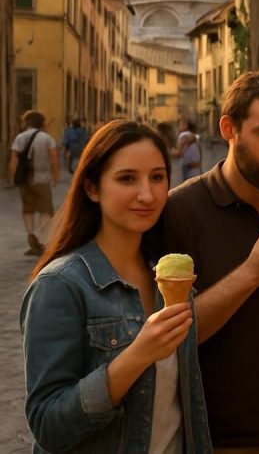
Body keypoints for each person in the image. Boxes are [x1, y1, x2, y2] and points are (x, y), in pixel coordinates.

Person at [20, 120, 212, 453]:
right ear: (92, 188)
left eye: (157, 177)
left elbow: (182, 408)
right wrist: (136, 356)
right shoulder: (60, 285)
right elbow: (47, 425)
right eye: (127, 178)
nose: (147, 194)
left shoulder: (167, 278)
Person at [158, 71, 259, 452]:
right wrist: (252, 273)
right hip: (206, 440)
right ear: (228, 129)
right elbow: (170, 338)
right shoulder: (180, 212)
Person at [8, 111, 60, 256]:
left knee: (28, 209)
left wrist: (12, 177)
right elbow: (54, 159)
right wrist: (56, 177)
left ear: (28, 122)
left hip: (25, 180)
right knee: (45, 210)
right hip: (43, 179)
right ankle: (41, 239)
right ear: (42, 123)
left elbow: (14, 160)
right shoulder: (47, 138)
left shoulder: (19, 137)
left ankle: (31, 235)